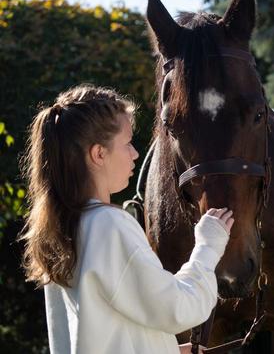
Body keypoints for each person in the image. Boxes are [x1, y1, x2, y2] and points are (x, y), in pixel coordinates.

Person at [19, 84, 233, 354]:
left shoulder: (62, 228)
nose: (134, 154)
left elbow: (106, 330)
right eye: (127, 143)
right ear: (99, 154)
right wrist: (208, 245)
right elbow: (178, 309)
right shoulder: (107, 225)